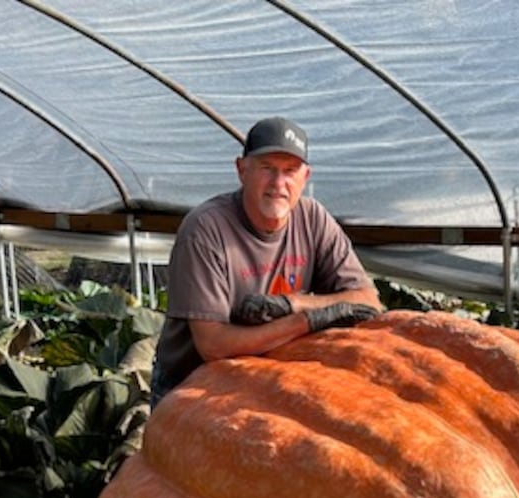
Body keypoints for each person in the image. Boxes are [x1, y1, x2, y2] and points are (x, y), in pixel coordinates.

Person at [150, 116, 382, 408]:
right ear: (242, 170)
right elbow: (213, 345)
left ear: (305, 177)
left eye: (290, 171)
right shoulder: (205, 229)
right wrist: (304, 322)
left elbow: (369, 302)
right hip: (190, 386)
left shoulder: (314, 219)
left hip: (264, 378)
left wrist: (295, 304)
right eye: (267, 168)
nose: (278, 183)